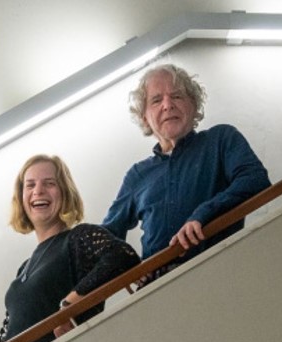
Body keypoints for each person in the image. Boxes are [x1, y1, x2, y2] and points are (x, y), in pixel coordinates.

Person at [102, 63, 271, 275]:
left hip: (220, 271)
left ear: (194, 104)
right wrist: (130, 266)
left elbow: (255, 180)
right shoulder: (137, 175)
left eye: (177, 96)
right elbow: (107, 238)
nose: (168, 105)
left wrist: (202, 214)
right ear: (145, 117)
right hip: (159, 287)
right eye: (156, 100)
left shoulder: (220, 139)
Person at [0, 155, 140, 342]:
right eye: (30, 185)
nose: (38, 191)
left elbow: (124, 255)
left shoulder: (78, 238)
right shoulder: (24, 267)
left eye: (49, 183)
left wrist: (70, 304)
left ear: (65, 192)